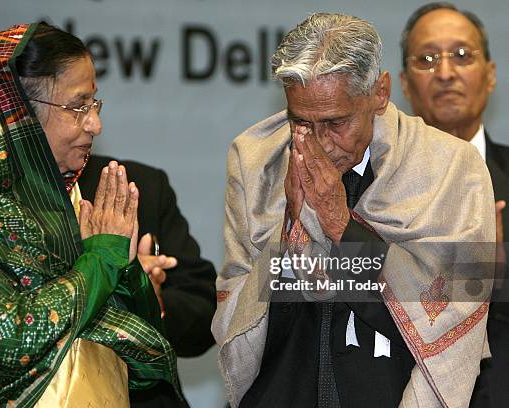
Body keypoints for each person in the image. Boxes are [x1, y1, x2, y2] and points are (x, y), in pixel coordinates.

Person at [212, 12, 495, 408]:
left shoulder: (452, 167)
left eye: (336, 122)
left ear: (379, 93)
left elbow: (451, 318)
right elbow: (238, 327)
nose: (320, 144)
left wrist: (342, 228)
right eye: (301, 122)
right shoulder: (256, 159)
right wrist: (292, 229)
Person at [0, 22, 180, 406]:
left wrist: (127, 272)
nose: (95, 123)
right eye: (78, 106)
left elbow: (144, 364)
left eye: (94, 104)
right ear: (16, 112)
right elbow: (4, 342)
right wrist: (99, 262)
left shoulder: (73, 201)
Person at [399, 3, 509, 406]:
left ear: (491, 74)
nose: (445, 73)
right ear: (404, 85)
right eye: (427, 59)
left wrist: (499, 274)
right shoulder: (367, 186)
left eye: (462, 56)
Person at [79, 156, 217, 407]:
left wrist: (153, 302)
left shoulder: (142, 186)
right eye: (74, 112)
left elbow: (205, 310)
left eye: (96, 113)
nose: (94, 125)